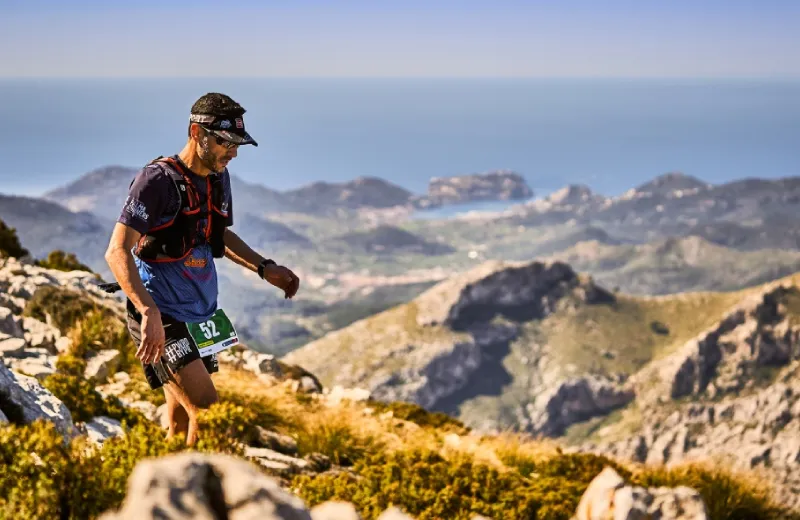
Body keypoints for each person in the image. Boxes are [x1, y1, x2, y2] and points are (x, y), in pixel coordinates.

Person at [104, 92, 300, 446]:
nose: (234, 152)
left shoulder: (216, 177)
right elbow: (116, 251)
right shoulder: (157, 181)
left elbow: (217, 235)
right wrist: (147, 310)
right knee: (208, 412)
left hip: (198, 315)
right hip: (159, 314)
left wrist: (263, 267)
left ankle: (162, 489)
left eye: (237, 145)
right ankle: (197, 493)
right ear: (197, 133)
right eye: (226, 142)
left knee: (180, 424)